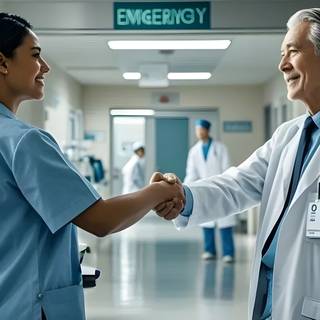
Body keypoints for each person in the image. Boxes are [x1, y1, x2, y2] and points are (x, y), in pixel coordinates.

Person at [0, 13, 184, 319]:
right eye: (35, 56)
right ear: (3, 63)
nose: (45, 67)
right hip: (30, 306)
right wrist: (160, 191)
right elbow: (101, 220)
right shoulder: (25, 142)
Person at [153, 8, 320, 320]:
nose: (282, 65)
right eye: (282, 53)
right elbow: (240, 182)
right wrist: (184, 197)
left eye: (293, 52)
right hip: (272, 299)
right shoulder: (290, 135)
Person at [185, 119, 236, 262]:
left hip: (221, 189)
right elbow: (191, 172)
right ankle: (209, 250)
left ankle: (228, 253)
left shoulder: (220, 148)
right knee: (206, 221)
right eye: (197, 130)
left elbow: (227, 168)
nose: (199, 132)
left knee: (225, 223)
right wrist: (185, 187)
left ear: (207, 130)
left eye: (201, 129)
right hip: (204, 189)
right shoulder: (194, 151)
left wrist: (225, 184)